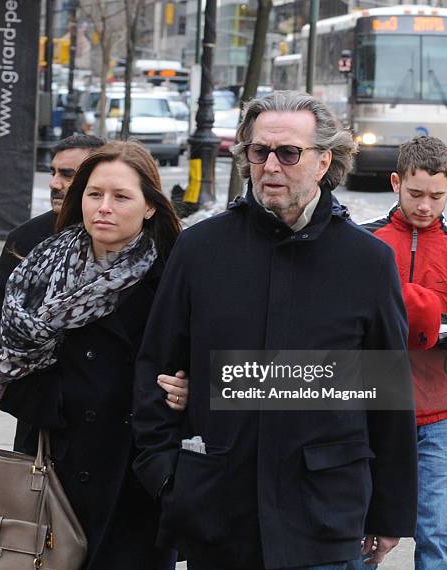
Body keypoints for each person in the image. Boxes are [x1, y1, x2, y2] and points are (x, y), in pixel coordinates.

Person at [132, 91, 418, 570]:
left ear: (324, 161)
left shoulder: (367, 262)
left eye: (288, 153)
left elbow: (387, 400)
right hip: (218, 514)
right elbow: (156, 368)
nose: (269, 166)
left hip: (324, 518)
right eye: (258, 151)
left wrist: (389, 512)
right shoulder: (200, 250)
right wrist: (165, 474)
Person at [0, 141, 187, 570]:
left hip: (136, 473)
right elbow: (0, 357)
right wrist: (56, 403)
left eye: (121, 197)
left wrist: (189, 392)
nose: (104, 208)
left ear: (150, 206)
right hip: (51, 459)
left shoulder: (176, 272)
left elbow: (199, 357)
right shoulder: (40, 261)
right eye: (94, 195)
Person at [363, 136, 447, 570]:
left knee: (436, 533)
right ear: (395, 182)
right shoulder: (365, 242)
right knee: (356, 528)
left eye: (436, 196)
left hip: (441, 412)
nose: (425, 206)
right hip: (370, 408)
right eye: (415, 194)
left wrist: (413, 317)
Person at [0, 134, 105, 349]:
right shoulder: (26, 238)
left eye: (67, 175)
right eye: (53, 172)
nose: (54, 183)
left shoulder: (128, 240)